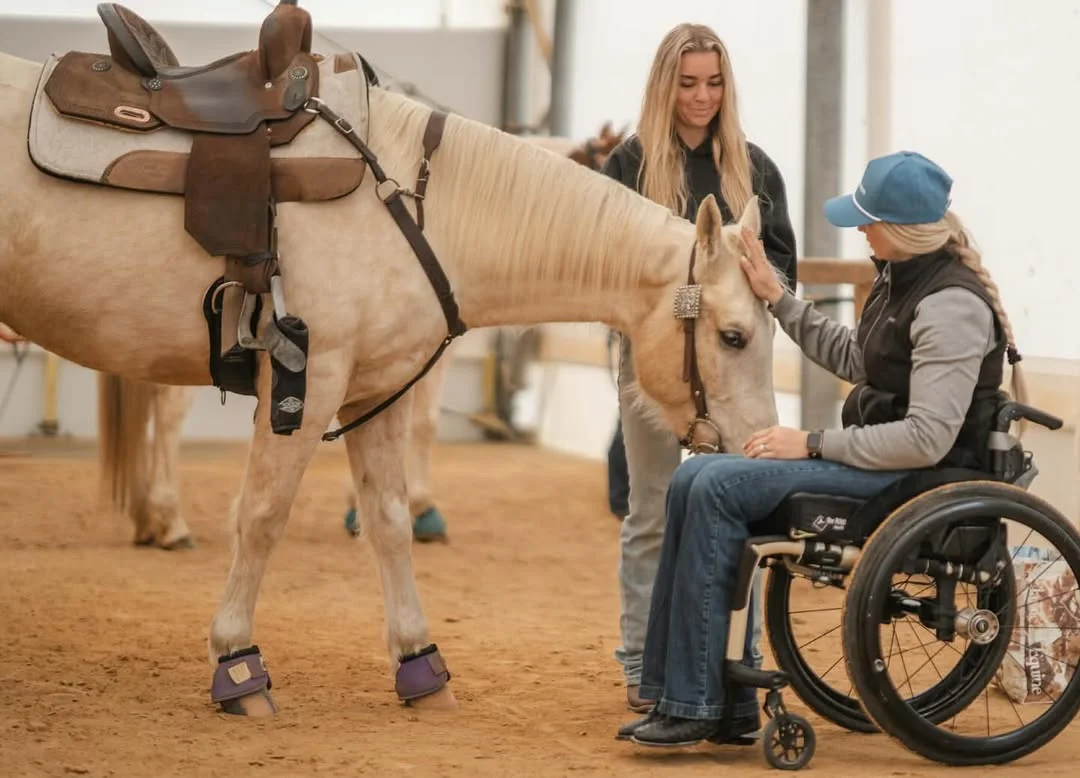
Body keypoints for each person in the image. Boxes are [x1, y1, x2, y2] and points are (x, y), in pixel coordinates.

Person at [616, 149, 1028, 747]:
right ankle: (690, 695)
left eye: (867, 221)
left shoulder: (951, 306)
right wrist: (777, 297)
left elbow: (926, 437)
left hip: (918, 481)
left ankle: (698, 702)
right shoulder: (901, 281)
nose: (859, 230)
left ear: (899, 230)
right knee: (691, 478)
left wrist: (809, 443)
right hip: (882, 465)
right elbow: (856, 359)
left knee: (717, 483)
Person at [600, 23, 798, 712]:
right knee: (651, 509)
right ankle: (638, 659)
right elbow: (612, 279)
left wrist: (723, 301)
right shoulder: (628, 167)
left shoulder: (756, 168)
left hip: (734, 369)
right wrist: (694, 300)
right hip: (651, 370)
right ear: (665, 84)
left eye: (713, 83)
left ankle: (732, 656)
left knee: (738, 509)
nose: (701, 96)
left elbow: (783, 270)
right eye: (688, 83)